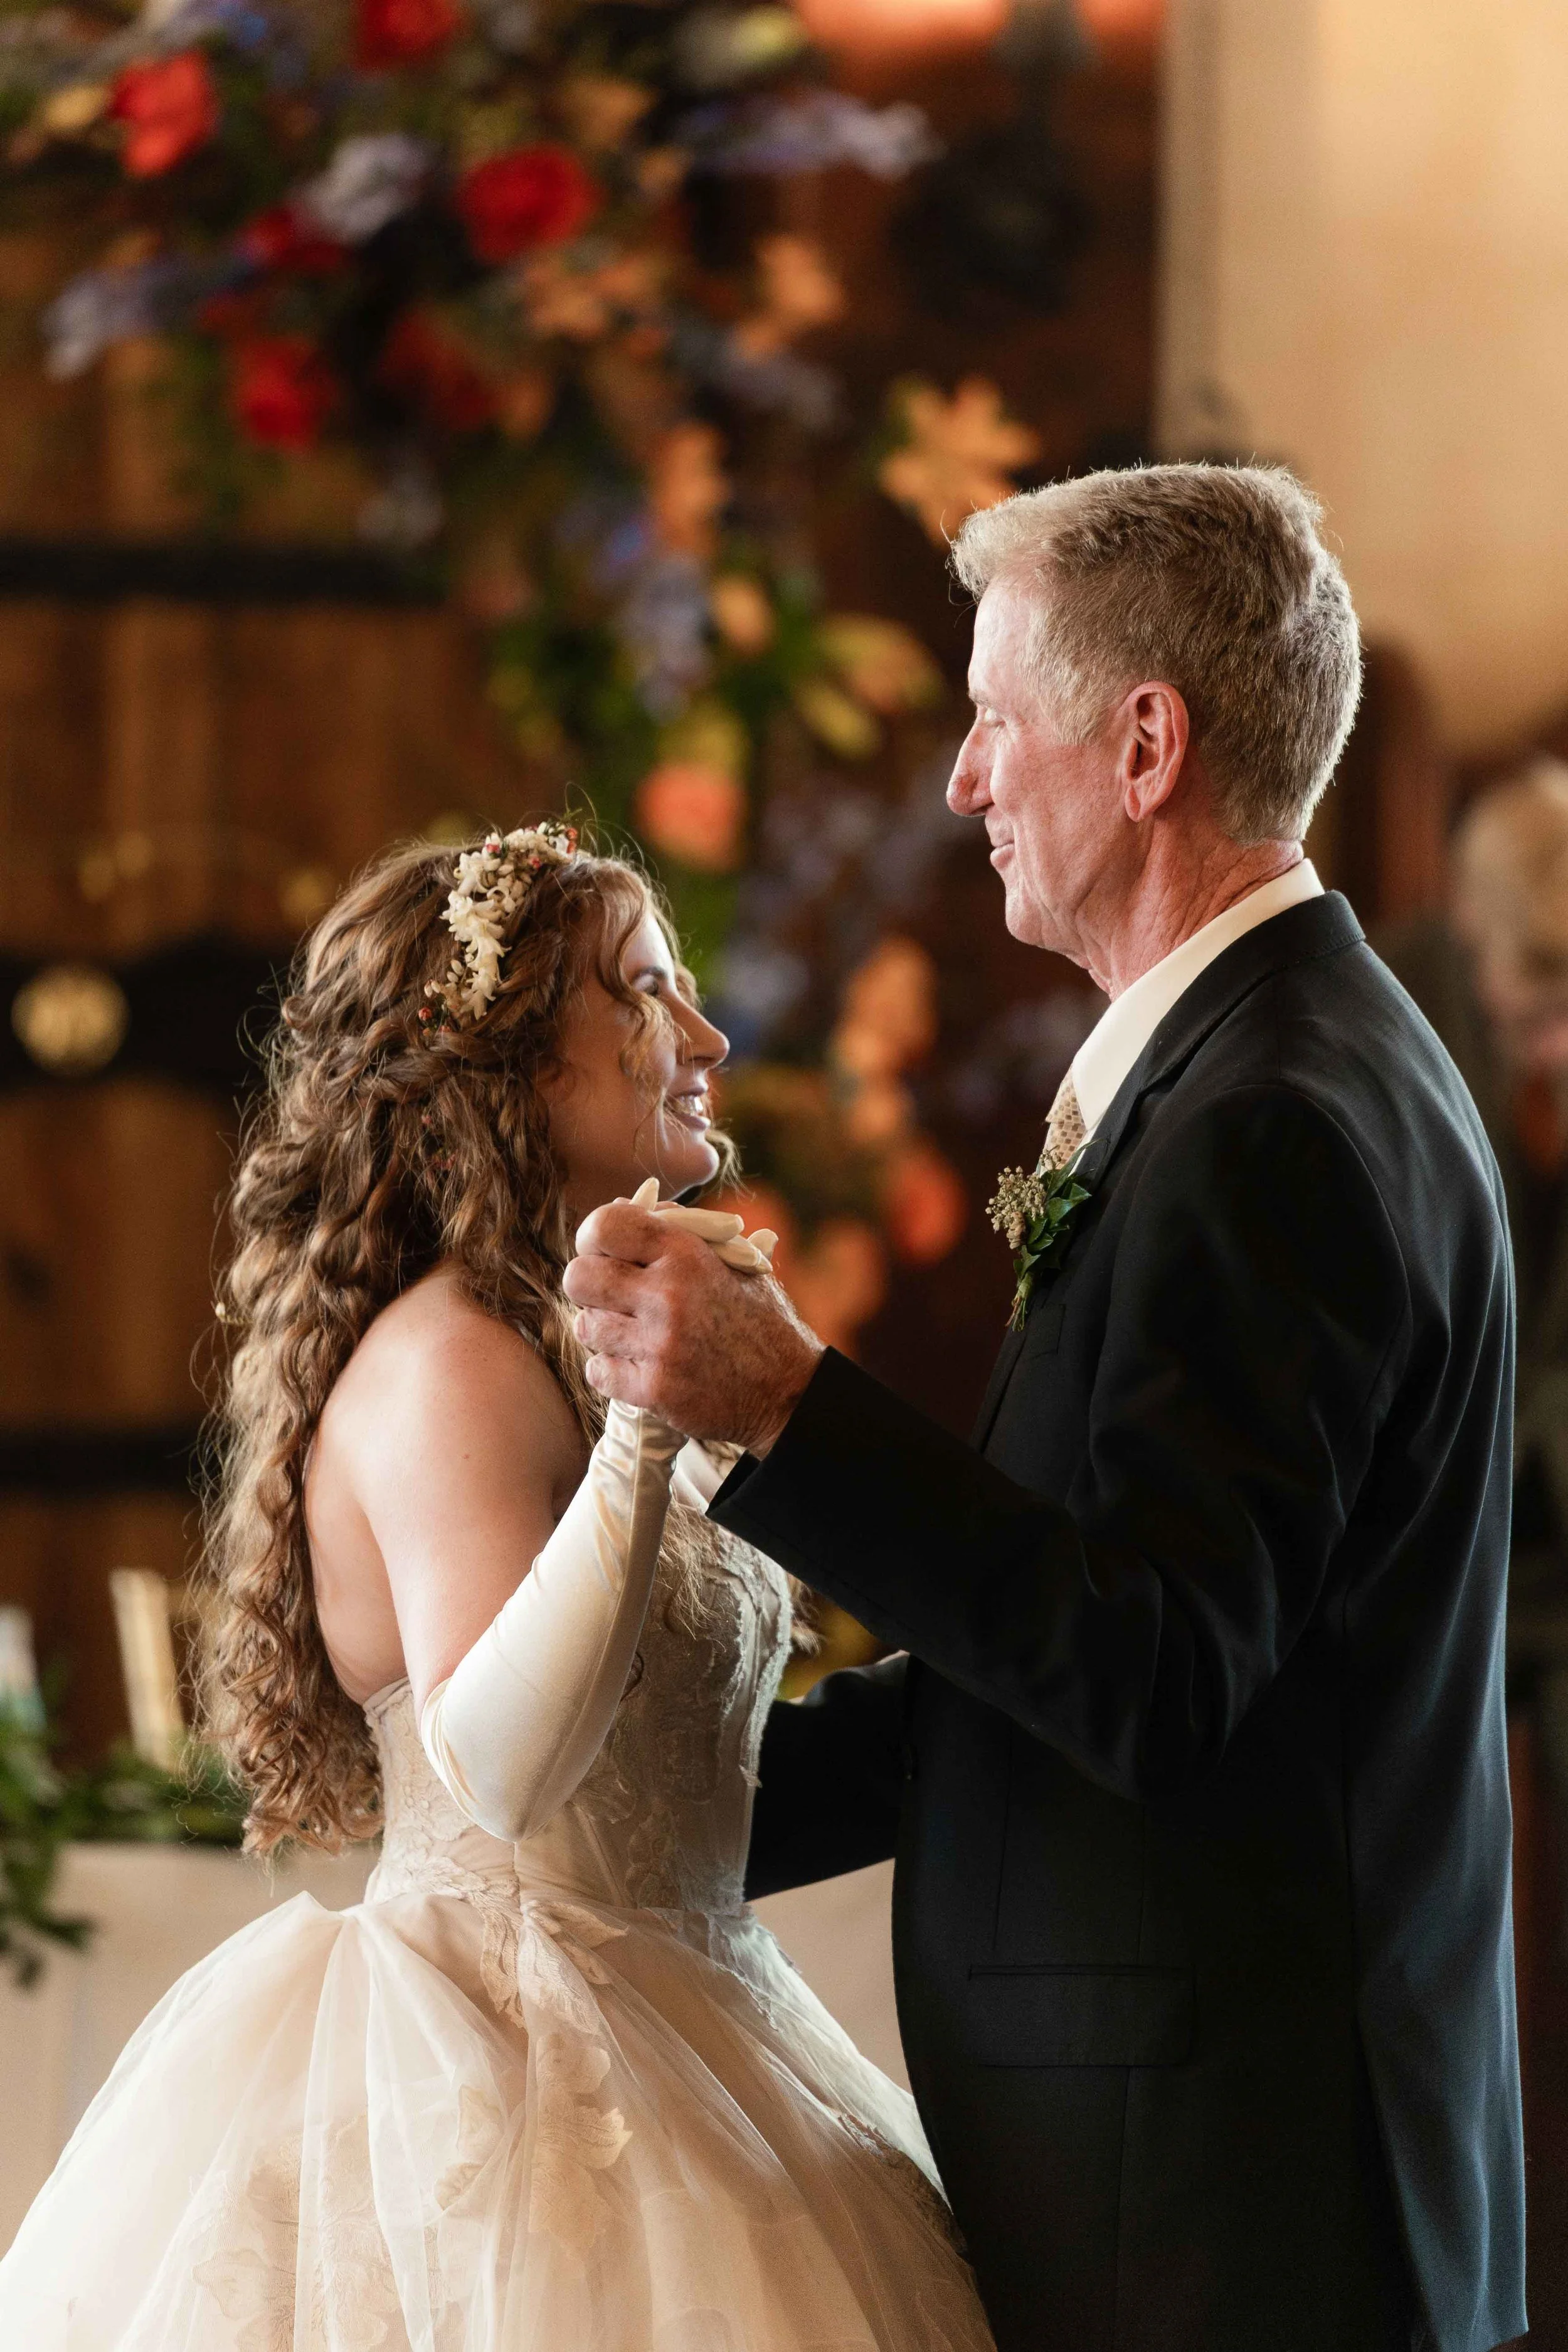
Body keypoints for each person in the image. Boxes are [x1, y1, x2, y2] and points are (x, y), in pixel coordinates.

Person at [565, 465, 1528, 2352]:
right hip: (1226, 2186)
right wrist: (632, 1824)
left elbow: (1151, 1670)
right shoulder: (1270, 1066)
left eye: (995, 719)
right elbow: (1063, 1654)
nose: (961, 780)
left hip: (1238, 2222)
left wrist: (788, 1403)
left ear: (1144, 746)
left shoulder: (1267, 1123)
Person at [0, 825, 994, 2351]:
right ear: (513, 1067)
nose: (707, 1037)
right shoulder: (452, 1363)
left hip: (699, 2021)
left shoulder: (560, 1349)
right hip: (500, 2084)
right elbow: (505, 1771)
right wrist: (647, 1431)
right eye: (645, 992)